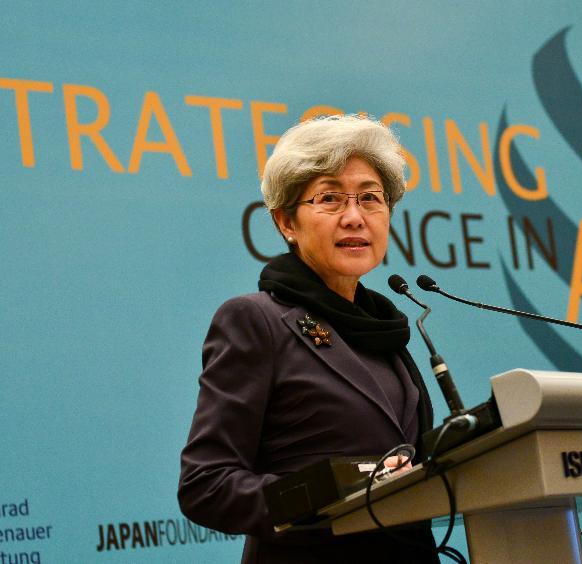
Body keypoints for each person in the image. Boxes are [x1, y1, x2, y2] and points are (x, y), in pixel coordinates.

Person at [178, 115, 439, 563]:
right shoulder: (256, 321)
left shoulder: (385, 329)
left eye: (371, 198)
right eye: (331, 198)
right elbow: (206, 485)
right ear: (286, 223)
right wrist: (331, 489)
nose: (355, 217)